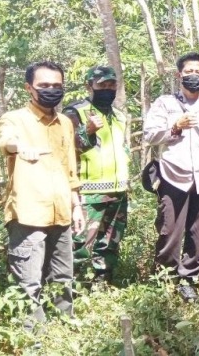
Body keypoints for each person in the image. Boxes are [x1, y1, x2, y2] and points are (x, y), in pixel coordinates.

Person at [0, 61, 85, 329]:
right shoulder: (15, 119)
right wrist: (20, 147)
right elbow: (5, 141)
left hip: (61, 211)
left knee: (62, 276)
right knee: (29, 281)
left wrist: (76, 204)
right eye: (44, 85)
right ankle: (31, 337)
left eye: (57, 86)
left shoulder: (65, 123)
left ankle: (64, 329)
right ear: (29, 88)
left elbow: (70, 166)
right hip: (28, 213)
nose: (51, 90)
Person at [143, 52, 199, 302]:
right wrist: (174, 126)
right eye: (189, 71)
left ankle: (188, 280)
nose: (193, 76)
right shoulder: (164, 104)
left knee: (198, 233)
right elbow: (149, 135)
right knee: (169, 231)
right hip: (173, 177)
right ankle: (164, 280)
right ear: (179, 74)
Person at [63, 66, 130, 283]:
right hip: (88, 191)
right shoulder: (75, 112)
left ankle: (103, 282)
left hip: (118, 189)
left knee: (110, 241)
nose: (107, 89)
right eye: (102, 85)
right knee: (81, 242)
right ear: (89, 85)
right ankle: (76, 288)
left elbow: (122, 148)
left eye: (111, 85)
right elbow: (64, 150)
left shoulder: (119, 116)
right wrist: (86, 131)